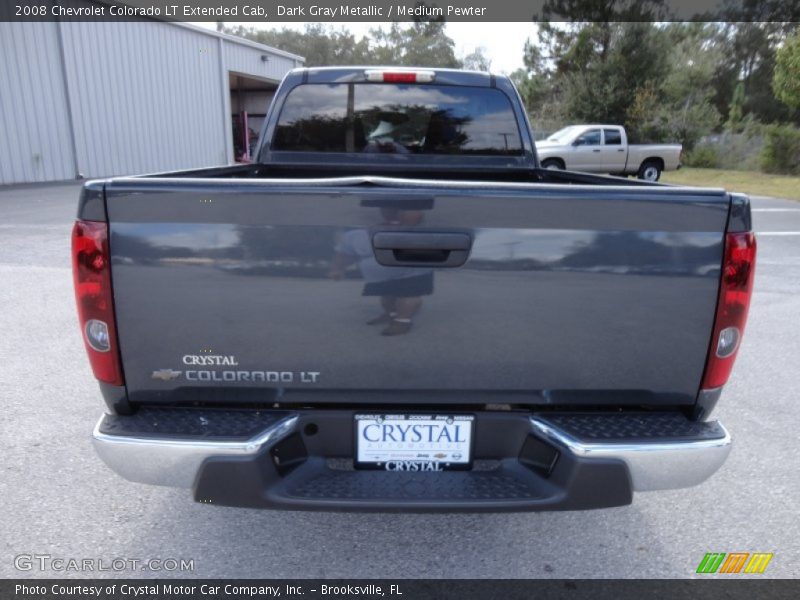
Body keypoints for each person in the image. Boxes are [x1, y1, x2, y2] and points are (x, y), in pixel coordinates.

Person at [328, 209, 432, 336]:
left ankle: (402, 321)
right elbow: (345, 254)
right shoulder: (356, 235)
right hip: (380, 276)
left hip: (411, 273)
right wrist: (337, 269)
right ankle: (391, 314)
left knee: (409, 296)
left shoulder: (415, 232)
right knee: (387, 295)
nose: (393, 214)